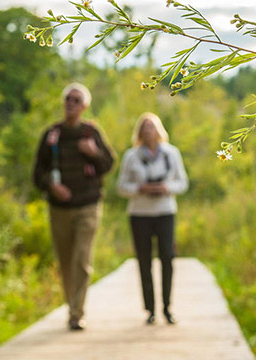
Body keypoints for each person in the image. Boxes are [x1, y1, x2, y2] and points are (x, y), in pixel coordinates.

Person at [32, 82, 115, 331]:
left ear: (85, 106)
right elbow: (37, 173)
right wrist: (51, 186)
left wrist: (93, 153)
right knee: (66, 262)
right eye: (68, 98)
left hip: (88, 205)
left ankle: (76, 313)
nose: (71, 103)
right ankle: (72, 306)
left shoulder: (91, 133)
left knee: (82, 259)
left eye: (76, 100)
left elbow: (108, 164)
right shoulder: (51, 135)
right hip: (59, 209)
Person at [117, 112, 188, 325]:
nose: (148, 130)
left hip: (165, 212)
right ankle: (150, 309)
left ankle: (167, 307)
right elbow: (121, 187)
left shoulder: (171, 153)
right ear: (139, 131)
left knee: (167, 257)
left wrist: (166, 188)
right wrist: (141, 189)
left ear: (158, 129)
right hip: (140, 214)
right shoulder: (131, 156)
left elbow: (183, 183)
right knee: (144, 260)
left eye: (151, 126)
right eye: (144, 127)